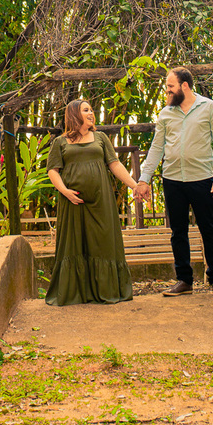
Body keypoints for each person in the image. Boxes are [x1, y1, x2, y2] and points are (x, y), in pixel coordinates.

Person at [134, 67, 213, 297]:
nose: (167, 91)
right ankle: (184, 280)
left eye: (170, 86)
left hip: (203, 179)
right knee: (178, 232)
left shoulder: (210, 107)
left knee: (209, 230)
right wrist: (144, 178)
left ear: (184, 86)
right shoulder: (166, 113)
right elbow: (157, 148)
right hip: (172, 180)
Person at [45, 99, 139, 306]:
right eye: (86, 110)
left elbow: (114, 165)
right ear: (74, 115)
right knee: (74, 244)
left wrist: (135, 185)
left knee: (103, 242)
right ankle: (76, 293)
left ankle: (107, 289)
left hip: (101, 200)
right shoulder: (59, 142)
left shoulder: (101, 137)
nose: (91, 113)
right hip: (73, 202)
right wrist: (65, 192)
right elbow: (53, 170)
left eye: (91, 110)